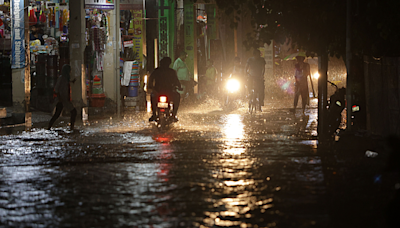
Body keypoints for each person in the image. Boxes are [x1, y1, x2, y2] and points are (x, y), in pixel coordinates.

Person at [148, 57, 182, 122]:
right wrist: (179, 86)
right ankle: (173, 115)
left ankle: (154, 114)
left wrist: (151, 88)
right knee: (177, 96)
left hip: (159, 92)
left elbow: (150, 80)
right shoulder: (171, 72)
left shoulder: (157, 71)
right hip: (166, 92)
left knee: (153, 97)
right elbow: (177, 81)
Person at [48, 64, 77, 131]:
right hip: (61, 100)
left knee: (58, 114)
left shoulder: (66, 78)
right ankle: (71, 127)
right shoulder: (61, 78)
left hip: (65, 99)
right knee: (72, 112)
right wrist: (59, 97)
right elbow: (57, 88)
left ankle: (49, 127)